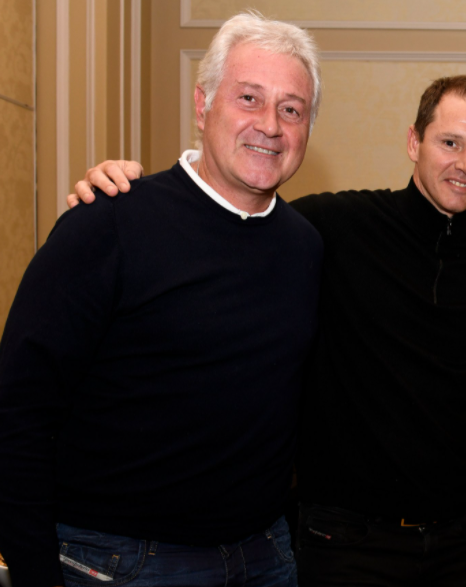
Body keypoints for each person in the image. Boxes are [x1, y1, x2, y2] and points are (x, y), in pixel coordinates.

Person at [68, 75, 466, 586]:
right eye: (450, 143)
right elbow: (228, 216)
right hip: (341, 539)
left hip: (449, 537)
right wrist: (128, 195)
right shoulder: (332, 226)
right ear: (413, 142)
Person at [0, 12, 324, 587]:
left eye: (291, 109)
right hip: (119, 560)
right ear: (203, 106)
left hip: (266, 555)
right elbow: (18, 410)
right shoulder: (108, 222)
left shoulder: (306, 246)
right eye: (249, 98)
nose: (270, 125)